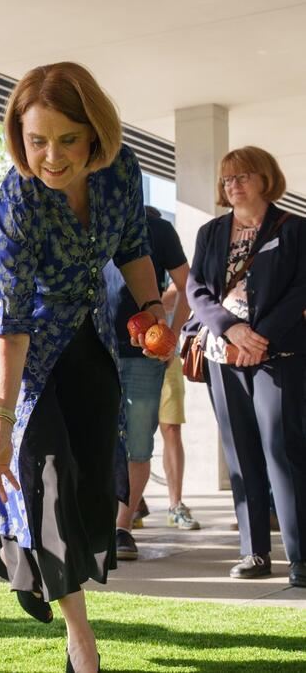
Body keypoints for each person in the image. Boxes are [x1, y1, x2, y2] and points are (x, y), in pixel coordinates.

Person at [0, 62, 168, 673]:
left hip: (86, 329)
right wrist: (0, 430)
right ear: (19, 140)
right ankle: (82, 642)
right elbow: (12, 322)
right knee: (43, 469)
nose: (51, 157)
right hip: (13, 339)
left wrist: (153, 309)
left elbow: (132, 246)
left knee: (90, 485)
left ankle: (22, 560)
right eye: (37, 140)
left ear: (95, 133)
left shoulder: (122, 171)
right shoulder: (18, 197)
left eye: (68, 139)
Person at [186, 145, 305, 588]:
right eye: (227, 180)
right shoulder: (211, 232)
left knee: (283, 451)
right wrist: (230, 330)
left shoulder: (294, 230)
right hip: (224, 356)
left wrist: (261, 337)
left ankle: (300, 557)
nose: (233, 186)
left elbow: (301, 290)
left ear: (265, 179)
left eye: (242, 177)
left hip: (279, 356)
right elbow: (197, 289)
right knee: (241, 454)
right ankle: (254, 553)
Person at [106, 206, 191, 561]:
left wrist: (173, 333)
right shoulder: (89, 222)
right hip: (95, 348)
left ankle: (121, 527)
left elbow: (188, 285)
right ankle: (98, 523)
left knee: (138, 443)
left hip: (144, 354)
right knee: (95, 439)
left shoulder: (158, 229)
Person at [157, 255, 200, 532]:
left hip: (166, 352)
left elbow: (182, 290)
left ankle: (176, 504)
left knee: (171, 428)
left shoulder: (162, 236)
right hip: (123, 351)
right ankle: (129, 504)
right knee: (123, 435)